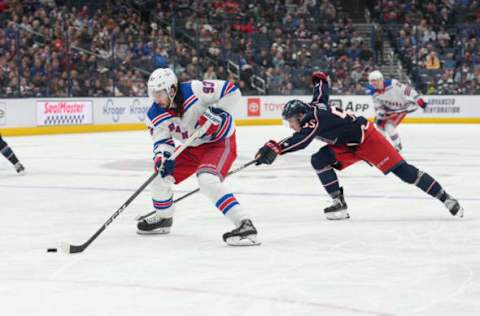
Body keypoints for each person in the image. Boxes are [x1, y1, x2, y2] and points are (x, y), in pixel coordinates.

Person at [254, 99, 463, 220]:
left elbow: (301, 140)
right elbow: (319, 96)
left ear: (300, 115)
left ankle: (446, 198)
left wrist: (276, 148)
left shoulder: (311, 120)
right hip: (346, 144)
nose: (290, 125)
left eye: (291, 121)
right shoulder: (311, 113)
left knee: (405, 172)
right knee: (319, 159)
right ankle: (338, 203)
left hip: (367, 138)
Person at [136, 68, 259, 246]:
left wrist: (218, 112)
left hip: (219, 142)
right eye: (153, 93)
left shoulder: (194, 89)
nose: (156, 98)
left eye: (160, 93)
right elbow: (162, 141)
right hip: (193, 147)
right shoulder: (154, 114)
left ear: (171, 90)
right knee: (159, 177)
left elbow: (232, 91)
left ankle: (245, 224)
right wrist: (162, 157)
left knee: (207, 180)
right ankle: (164, 218)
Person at [367, 70, 428, 151]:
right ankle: (382, 145)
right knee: (379, 126)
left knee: (389, 127)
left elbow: (408, 90)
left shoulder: (393, 83)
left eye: (375, 81)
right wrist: (380, 113)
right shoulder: (374, 93)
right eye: (372, 81)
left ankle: (397, 145)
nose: (373, 83)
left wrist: (418, 99)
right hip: (390, 110)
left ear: (381, 79)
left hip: (402, 108)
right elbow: (378, 107)